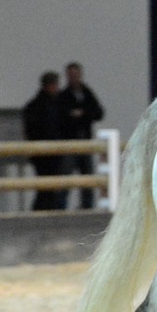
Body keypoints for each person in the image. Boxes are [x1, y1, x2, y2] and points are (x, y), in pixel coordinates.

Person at [59, 61, 105, 209]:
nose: (73, 78)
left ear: (80, 75)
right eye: (70, 75)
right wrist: (83, 114)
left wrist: (82, 114)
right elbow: (63, 116)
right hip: (70, 143)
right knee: (65, 181)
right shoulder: (64, 96)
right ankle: (61, 208)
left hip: (86, 142)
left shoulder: (87, 93)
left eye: (75, 75)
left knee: (88, 180)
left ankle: (87, 208)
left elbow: (99, 112)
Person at [22, 70, 68, 211]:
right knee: (46, 186)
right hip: (44, 153)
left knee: (50, 186)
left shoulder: (47, 104)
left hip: (52, 152)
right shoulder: (40, 106)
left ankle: (47, 210)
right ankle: (43, 210)